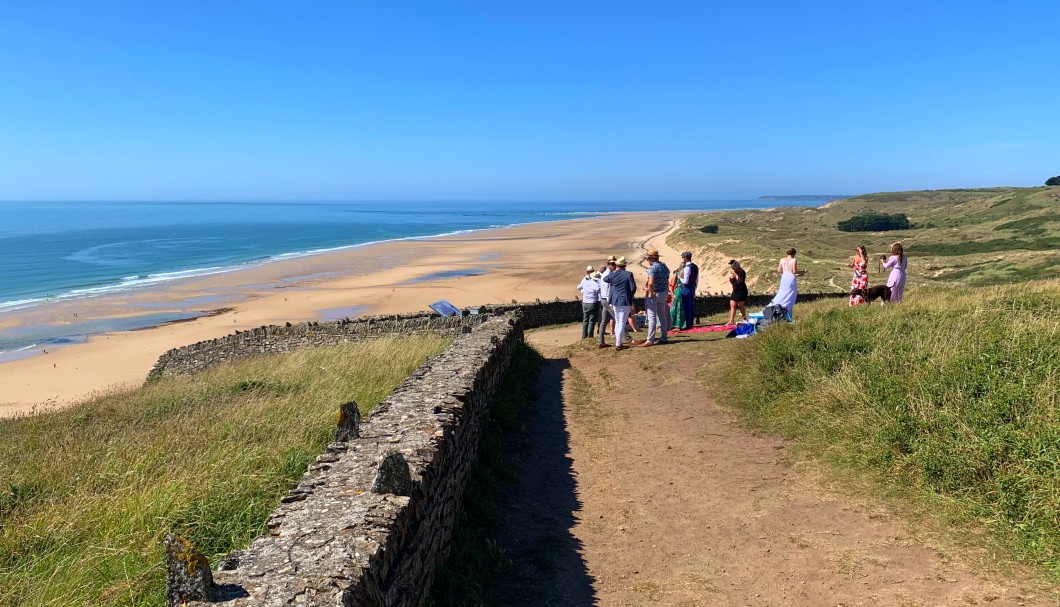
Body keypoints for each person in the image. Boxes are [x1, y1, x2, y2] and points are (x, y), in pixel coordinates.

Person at [602, 256, 637, 351]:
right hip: (624, 300)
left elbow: (605, 278)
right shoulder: (628, 274)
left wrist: (613, 277)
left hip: (614, 301)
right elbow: (633, 288)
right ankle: (618, 344)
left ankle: (618, 342)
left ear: (617, 265)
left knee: (618, 321)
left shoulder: (613, 274)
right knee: (621, 322)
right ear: (624, 265)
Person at [768, 248, 806, 321]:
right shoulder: (793, 260)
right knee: (790, 296)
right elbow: (795, 271)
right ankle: (788, 316)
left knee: (782, 293)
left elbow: (779, 270)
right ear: (793, 253)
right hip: (791, 278)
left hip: (784, 278)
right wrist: (803, 271)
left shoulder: (782, 260)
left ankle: (778, 310)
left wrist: (785, 271)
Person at [641, 249, 670, 346]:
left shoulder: (652, 268)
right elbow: (667, 281)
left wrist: (650, 292)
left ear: (650, 259)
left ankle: (650, 339)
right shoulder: (664, 267)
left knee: (652, 317)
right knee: (662, 316)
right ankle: (664, 337)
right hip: (662, 293)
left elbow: (651, 282)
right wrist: (666, 292)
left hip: (654, 294)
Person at [597, 256, 617, 348]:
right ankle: (628, 338)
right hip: (607, 300)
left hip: (604, 299)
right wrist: (611, 302)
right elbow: (607, 290)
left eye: (615, 264)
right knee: (617, 318)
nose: (614, 265)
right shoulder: (607, 275)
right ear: (608, 265)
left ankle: (601, 341)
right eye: (612, 264)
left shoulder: (607, 274)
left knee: (604, 321)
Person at [577, 266, 602, 338]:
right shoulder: (597, 285)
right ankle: (590, 335)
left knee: (585, 320)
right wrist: (600, 302)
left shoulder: (585, 281)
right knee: (591, 320)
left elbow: (578, 287)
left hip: (585, 303)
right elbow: (599, 296)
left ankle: (584, 336)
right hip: (593, 303)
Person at [678, 252, 699, 328]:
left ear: (685, 258)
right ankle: (690, 323)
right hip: (692, 287)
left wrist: (680, 278)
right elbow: (697, 279)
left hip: (686, 288)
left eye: (682, 257)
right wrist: (695, 287)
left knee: (686, 306)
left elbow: (685, 281)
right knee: (691, 305)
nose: (682, 259)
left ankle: (687, 324)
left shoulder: (687, 268)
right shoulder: (695, 266)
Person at [726, 259, 749, 325]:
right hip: (735, 291)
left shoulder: (742, 272)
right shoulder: (734, 273)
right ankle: (731, 320)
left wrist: (735, 274)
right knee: (732, 304)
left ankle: (744, 318)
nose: (732, 269)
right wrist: (731, 280)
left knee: (740, 305)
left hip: (742, 291)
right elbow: (734, 283)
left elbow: (740, 281)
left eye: (733, 267)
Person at [668, 264, 687, 330]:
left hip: (682, 291)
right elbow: (671, 285)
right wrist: (673, 294)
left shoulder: (682, 273)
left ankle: (677, 324)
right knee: (678, 307)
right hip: (680, 291)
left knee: (679, 307)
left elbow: (672, 285)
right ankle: (676, 324)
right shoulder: (677, 274)